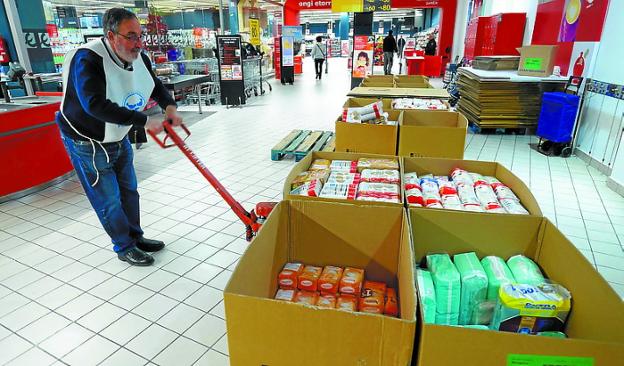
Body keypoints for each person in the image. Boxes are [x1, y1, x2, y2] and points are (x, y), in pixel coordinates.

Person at [56, 8, 183, 266]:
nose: (139, 44)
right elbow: (95, 106)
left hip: (118, 135)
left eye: (140, 36)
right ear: (111, 36)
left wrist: (169, 106)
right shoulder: (88, 60)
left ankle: (135, 237)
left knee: (129, 191)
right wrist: (146, 121)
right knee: (109, 198)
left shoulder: (138, 57)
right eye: (131, 37)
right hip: (86, 139)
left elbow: (154, 85)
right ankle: (124, 246)